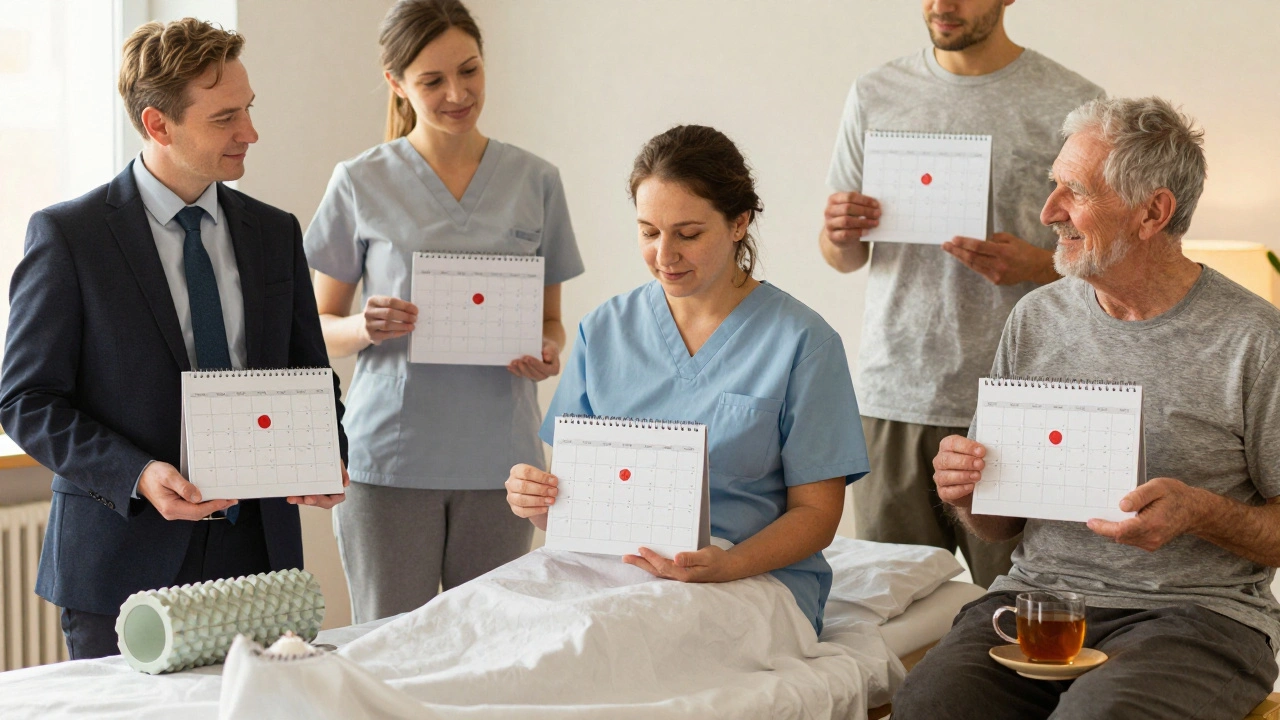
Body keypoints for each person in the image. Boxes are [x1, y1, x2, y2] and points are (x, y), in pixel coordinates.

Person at [892, 97, 1280, 719]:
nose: (1049, 211)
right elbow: (997, 525)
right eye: (1055, 185)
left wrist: (1198, 512)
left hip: (1195, 616)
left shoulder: (1255, 339)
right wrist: (966, 491)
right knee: (928, 705)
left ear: (1152, 212)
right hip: (1037, 602)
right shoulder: (1036, 318)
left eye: (1075, 191)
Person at [0, 19, 348, 660]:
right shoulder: (70, 237)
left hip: (259, 561)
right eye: (225, 118)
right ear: (158, 125)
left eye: (248, 108)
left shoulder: (275, 233)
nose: (250, 132)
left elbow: (310, 374)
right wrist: (138, 474)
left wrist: (328, 453)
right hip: (122, 560)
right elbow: (27, 400)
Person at [505, 125, 869, 635]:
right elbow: (572, 504)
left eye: (688, 234)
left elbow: (816, 514)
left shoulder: (803, 343)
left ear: (739, 223)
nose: (664, 255)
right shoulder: (603, 331)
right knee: (505, 627)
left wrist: (729, 564)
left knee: (605, 642)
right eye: (648, 232)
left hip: (750, 577)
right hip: (611, 571)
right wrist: (536, 502)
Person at [304, 0, 584, 623]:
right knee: (387, 646)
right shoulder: (360, 181)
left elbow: (551, 323)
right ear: (397, 83)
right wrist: (364, 326)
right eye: (432, 80)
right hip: (390, 462)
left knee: (485, 646)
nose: (457, 94)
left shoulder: (535, 181)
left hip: (502, 465)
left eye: (470, 70)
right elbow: (317, 328)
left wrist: (548, 352)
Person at [820, 0, 1105, 586]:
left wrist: (1038, 264)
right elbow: (843, 257)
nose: (941, 5)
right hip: (895, 395)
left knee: (1022, 608)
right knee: (887, 613)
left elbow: (1108, 257)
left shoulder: (1072, 103)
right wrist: (838, 234)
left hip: (1023, 400)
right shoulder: (876, 92)